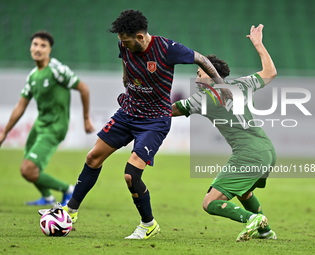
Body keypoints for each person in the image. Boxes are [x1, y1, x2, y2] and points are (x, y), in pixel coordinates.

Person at [56, 9, 232, 240]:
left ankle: (148, 224)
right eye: (121, 41)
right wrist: (125, 79)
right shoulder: (124, 45)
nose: (123, 45)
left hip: (154, 120)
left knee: (131, 175)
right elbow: (125, 60)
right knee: (92, 158)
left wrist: (220, 86)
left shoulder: (168, 49)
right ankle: (70, 211)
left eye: (126, 41)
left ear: (140, 37)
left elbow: (202, 60)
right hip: (128, 112)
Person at [172, 24, 278, 241]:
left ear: (211, 73)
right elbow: (270, 72)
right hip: (266, 150)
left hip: (248, 155)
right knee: (244, 191)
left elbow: (169, 111)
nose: (197, 78)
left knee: (209, 203)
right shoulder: (242, 84)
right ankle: (265, 232)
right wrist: (258, 44)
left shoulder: (202, 99)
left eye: (200, 73)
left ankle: (251, 219)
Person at [0, 31, 95, 206]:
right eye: (35, 44)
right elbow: (21, 106)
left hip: (55, 127)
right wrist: (4, 132)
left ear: (49, 50)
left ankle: (68, 190)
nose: (38, 48)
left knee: (27, 170)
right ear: (30, 47)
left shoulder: (56, 69)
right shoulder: (33, 76)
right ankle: (47, 198)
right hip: (40, 125)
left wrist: (86, 118)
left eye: (43, 45)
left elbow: (84, 88)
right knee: (31, 165)